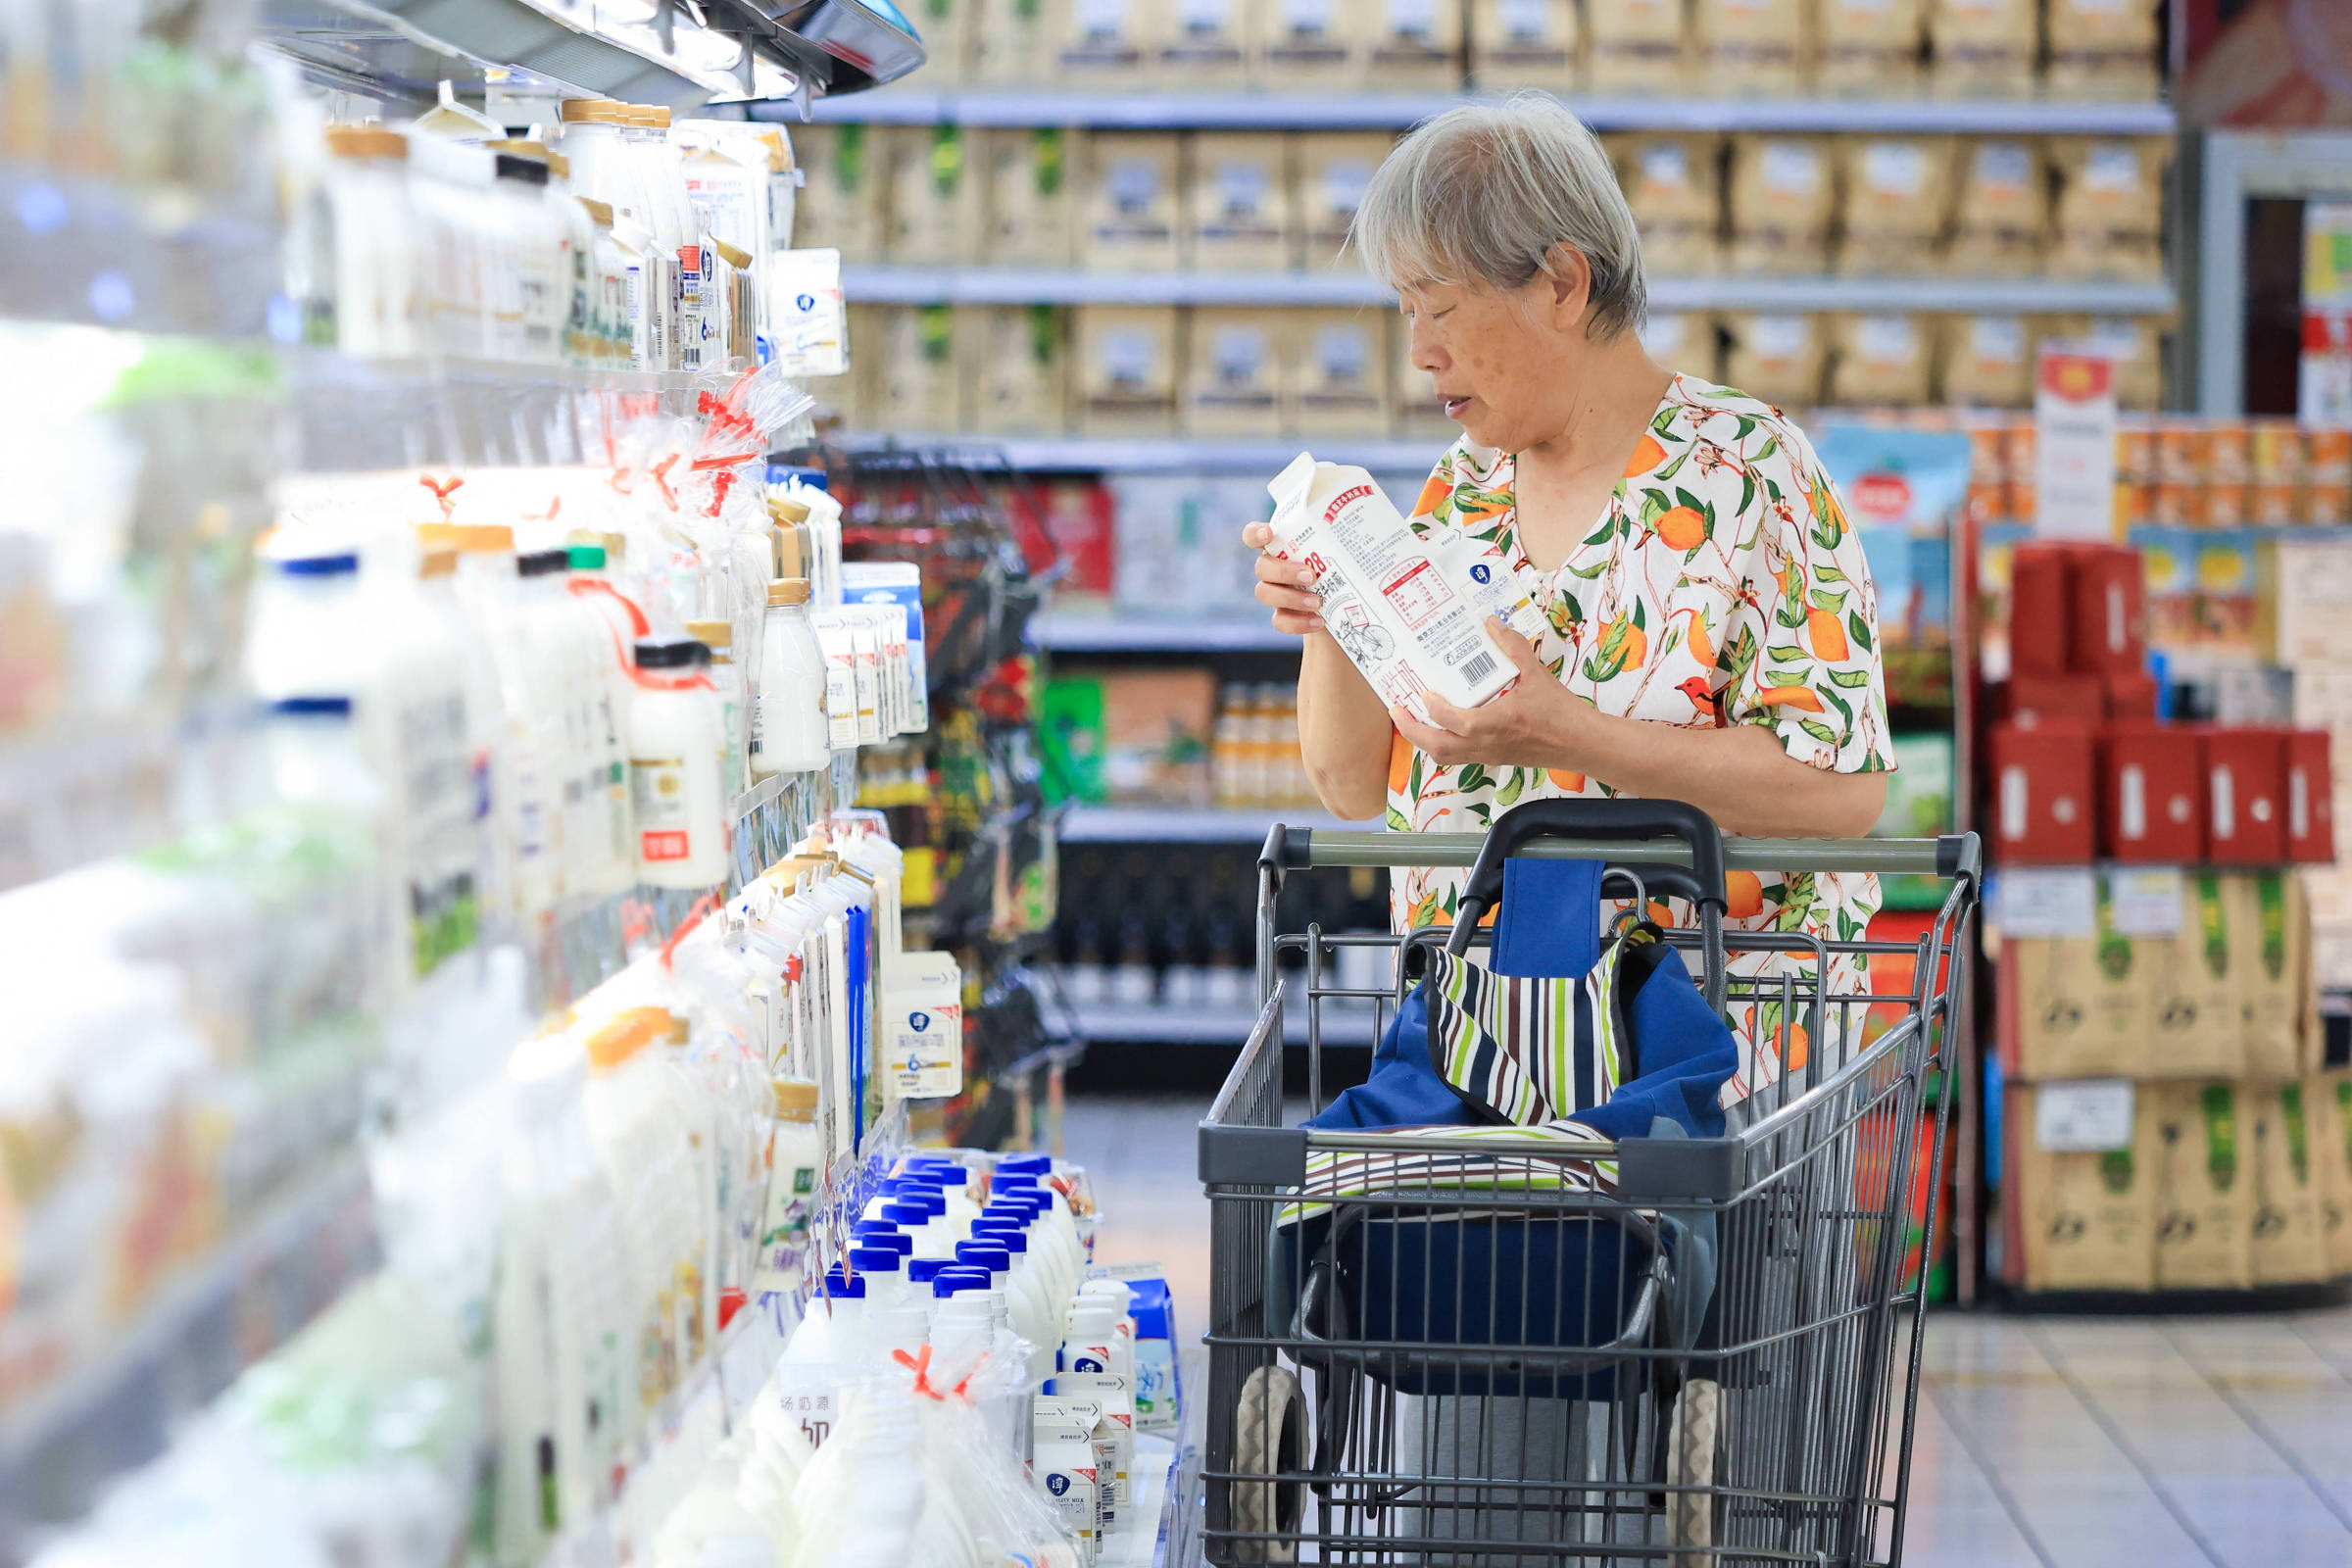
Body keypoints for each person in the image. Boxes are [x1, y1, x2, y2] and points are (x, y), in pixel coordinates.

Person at [1244, 95, 1894, 1104]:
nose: (1419, 349)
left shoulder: (1748, 474)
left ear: (1560, 281)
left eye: (1442, 307)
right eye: (1405, 310)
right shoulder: (1461, 490)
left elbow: (1842, 793)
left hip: (1705, 1074)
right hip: (1483, 1060)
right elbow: (1353, 787)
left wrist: (1568, 732)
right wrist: (1333, 613)